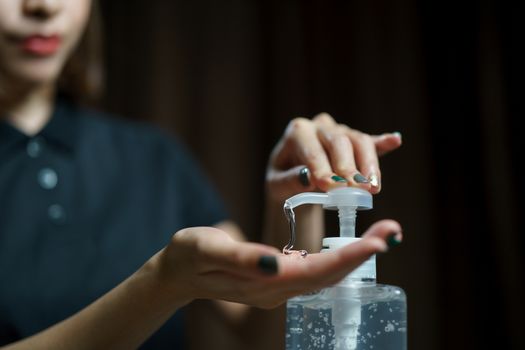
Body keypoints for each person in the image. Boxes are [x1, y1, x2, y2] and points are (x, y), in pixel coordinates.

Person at [0, 0, 404, 349]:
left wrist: (297, 197)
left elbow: (264, 330)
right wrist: (160, 286)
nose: (44, 6)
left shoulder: (153, 158)